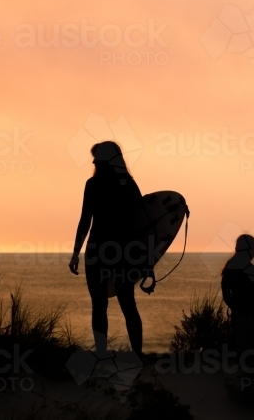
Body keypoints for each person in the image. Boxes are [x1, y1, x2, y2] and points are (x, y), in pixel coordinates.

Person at [69, 141, 153, 356]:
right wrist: (148, 260)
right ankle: (138, 354)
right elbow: (143, 223)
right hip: (124, 251)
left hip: (97, 250)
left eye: (96, 159)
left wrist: (76, 253)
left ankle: (102, 354)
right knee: (128, 303)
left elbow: (85, 221)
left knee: (99, 305)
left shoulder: (93, 184)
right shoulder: (127, 183)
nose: (94, 163)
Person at [221, 234, 254, 351]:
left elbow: (226, 297)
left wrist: (236, 308)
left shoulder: (228, 271)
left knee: (239, 348)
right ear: (250, 250)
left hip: (236, 316)